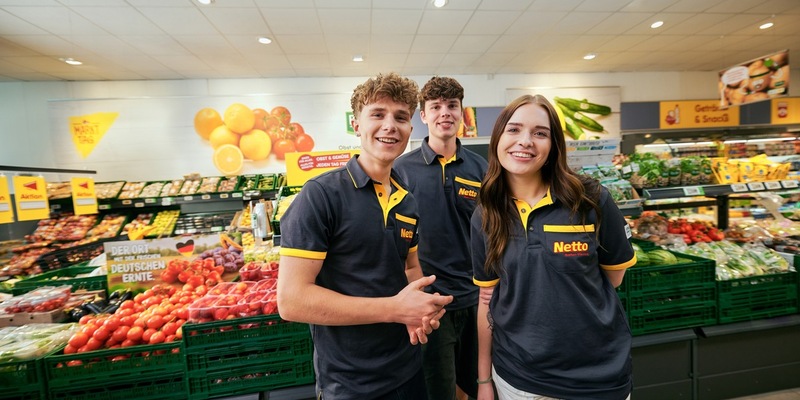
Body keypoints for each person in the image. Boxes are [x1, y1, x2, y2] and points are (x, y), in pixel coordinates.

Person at [277, 72, 453, 400]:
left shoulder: (407, 199)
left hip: (408, 367)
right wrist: (395, 309)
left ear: (410, 131)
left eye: (401, 117)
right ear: (356, 125)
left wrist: (419, 310)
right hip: (350, 382)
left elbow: (409, 268)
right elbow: (292, 301)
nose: (390, 125)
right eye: (377, 114)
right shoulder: (321, 195)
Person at [471, 94, 636, 400]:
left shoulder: (590, 200)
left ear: (554, 145)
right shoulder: (486, 214)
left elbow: (614, 277)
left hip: (598, 378)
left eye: (540, 133)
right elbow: (486, 301)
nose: (525, 141)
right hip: (519, 380)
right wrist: (483, 381)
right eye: (514, 129)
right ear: (497, 139)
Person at [394, 76, 487, 400]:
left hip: (477, 298)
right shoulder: (401, 170)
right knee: (439, 391)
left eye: (452, 106)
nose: (444, 113)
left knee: (480, 384)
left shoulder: (481, 168)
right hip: (429, 303)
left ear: (462, 112)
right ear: (423, 115)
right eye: (435, 107)